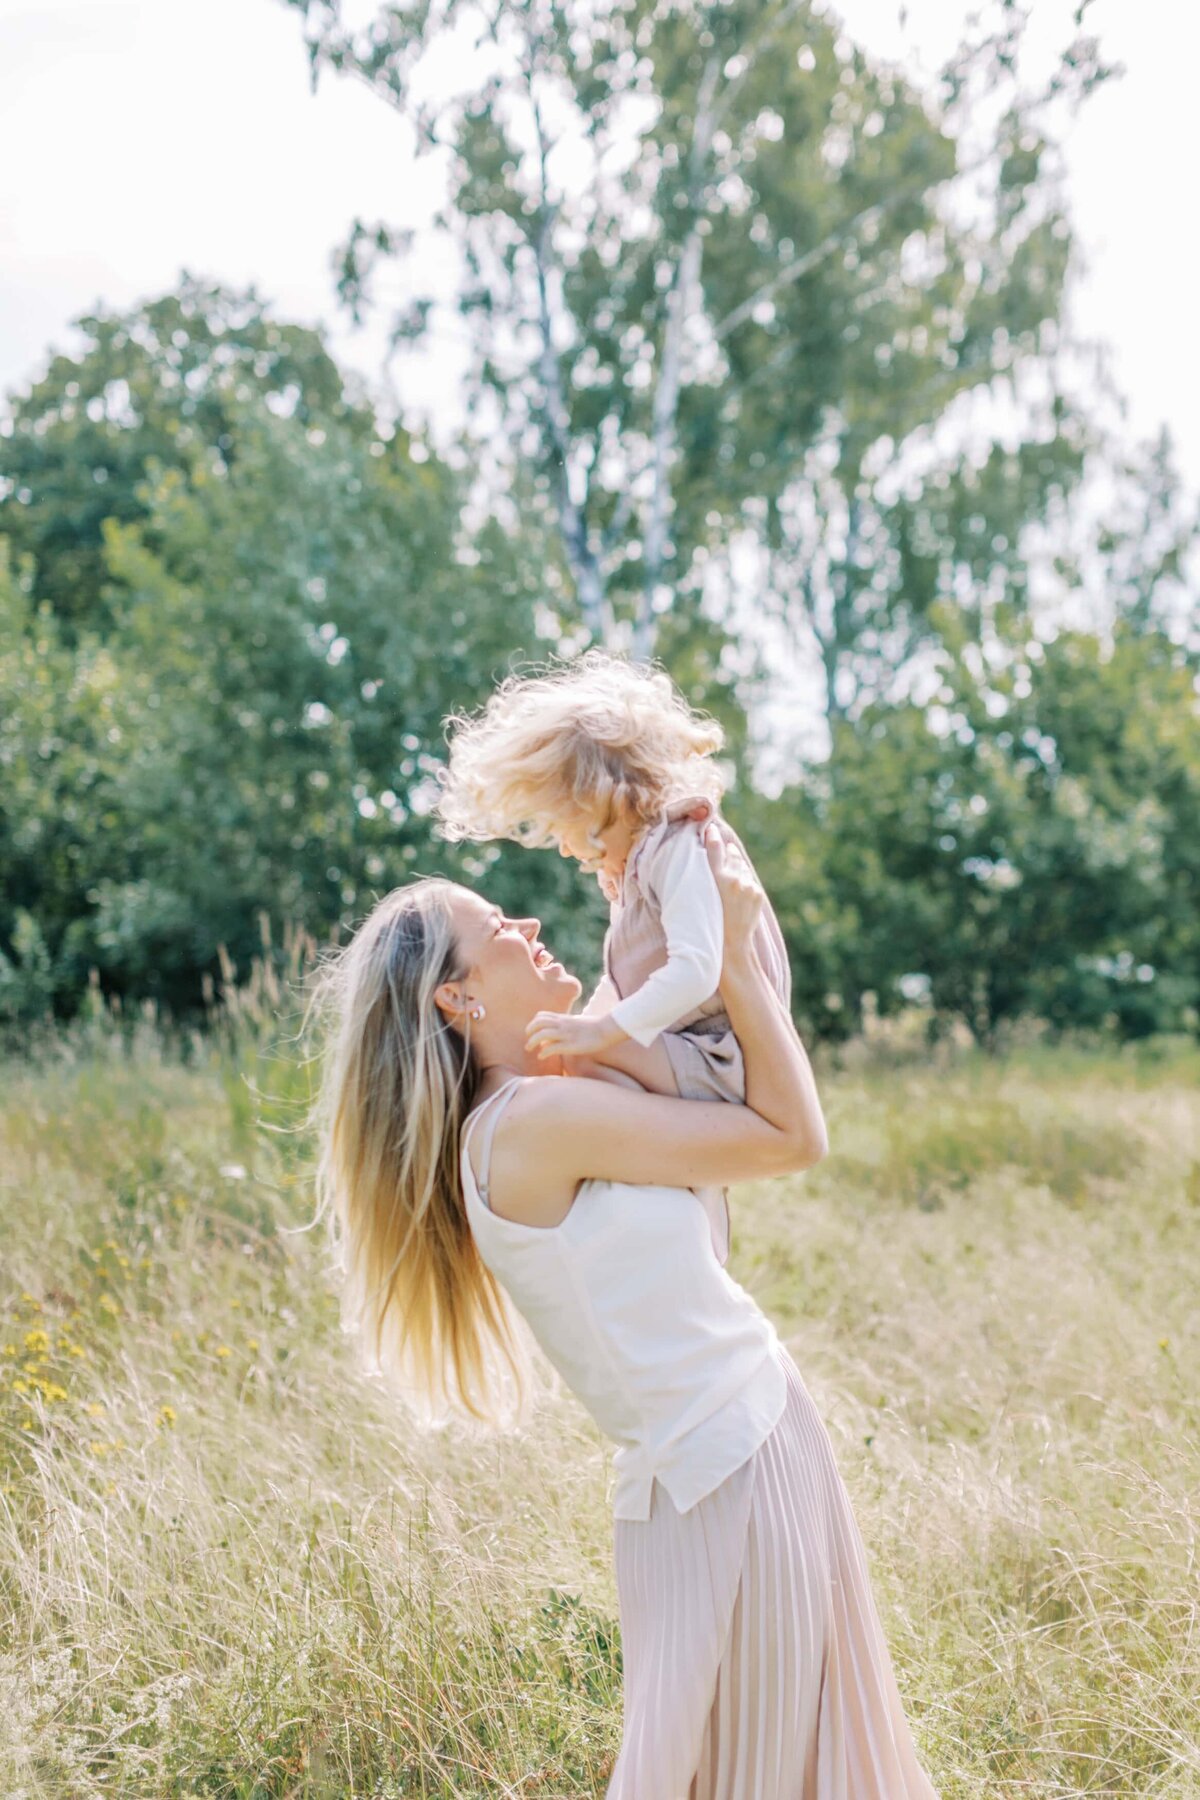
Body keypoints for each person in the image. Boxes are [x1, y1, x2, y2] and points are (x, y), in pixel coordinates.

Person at [309, 828, 939, 1798]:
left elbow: (649, 997)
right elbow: (793, 1134)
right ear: (457, 997)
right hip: (724, 1469)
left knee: (767, 1765)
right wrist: (727, 957)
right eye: (497, 929)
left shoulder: (554, 1090)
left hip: (731, 1452)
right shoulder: (528, 1125)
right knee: (760, 1773)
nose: (527, 926)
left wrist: (654, 881)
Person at [436, 649, 794, 1265]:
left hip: (722, 1057)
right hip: (700, 1052)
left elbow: (696, 970)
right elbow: (631, 976)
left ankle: (688, 1215)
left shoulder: (677, 847)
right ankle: (671, 1190)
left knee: (587, 1059)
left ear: (603, 801)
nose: (569, 848)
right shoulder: (644, 861)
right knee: (582, 1056)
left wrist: (603, 1031)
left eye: (566, 828)